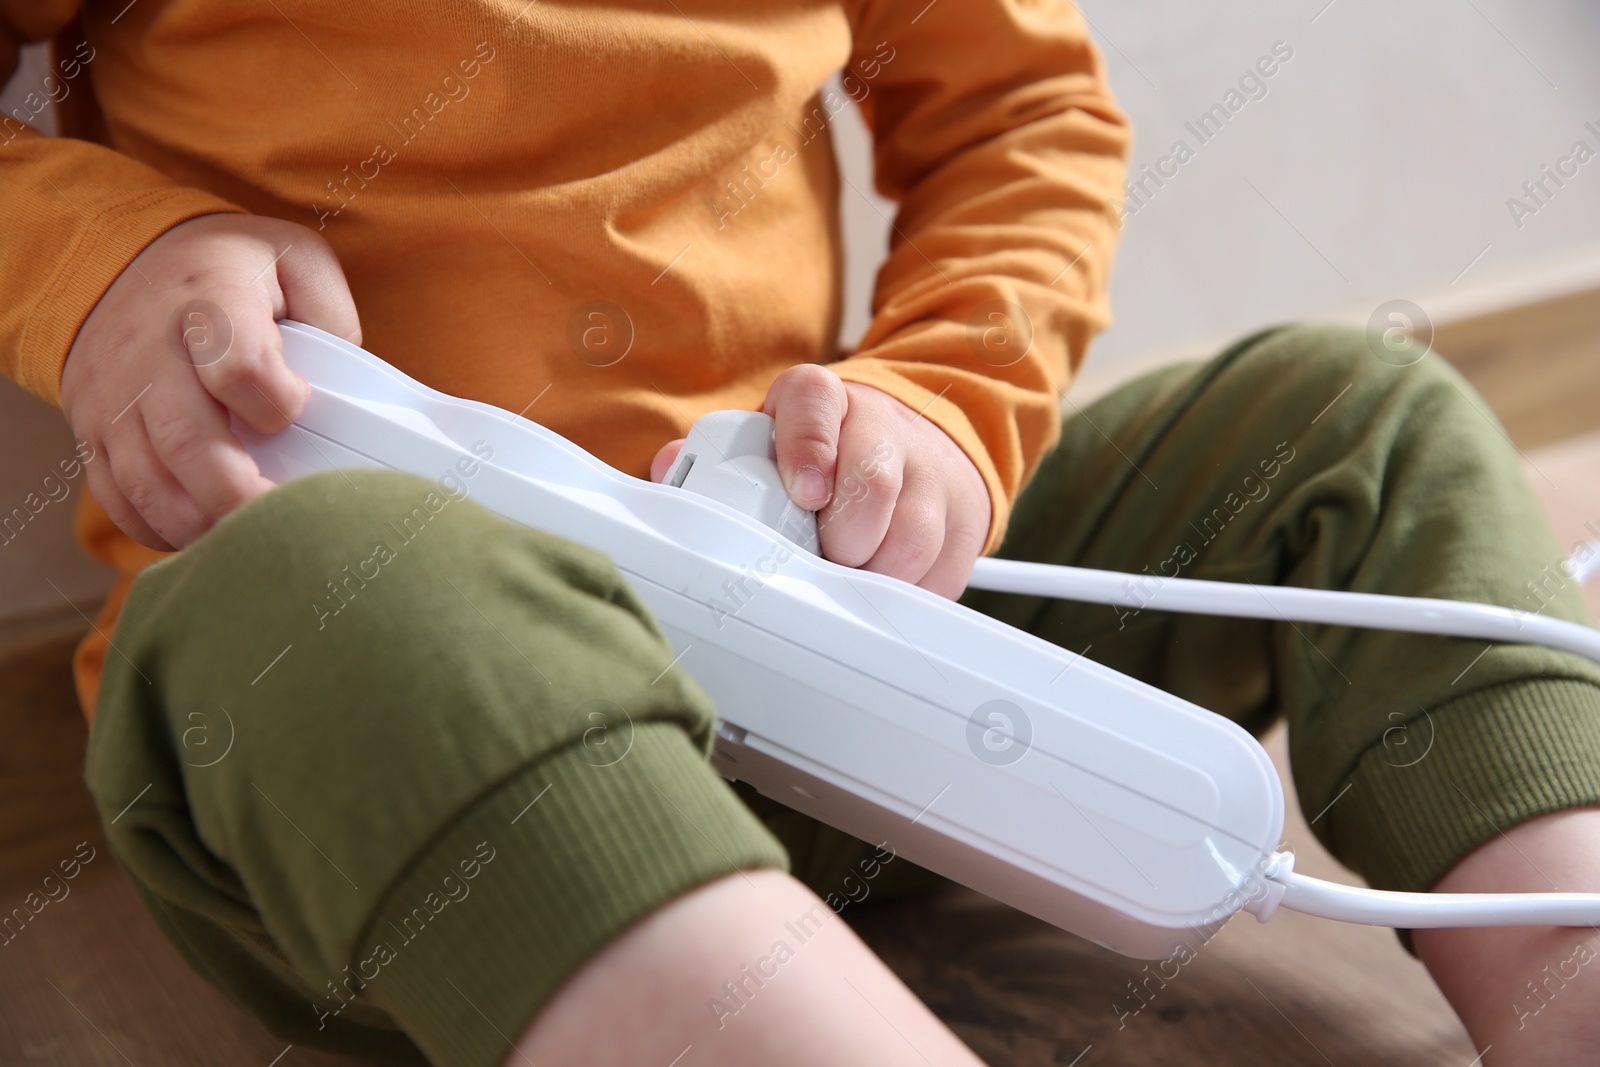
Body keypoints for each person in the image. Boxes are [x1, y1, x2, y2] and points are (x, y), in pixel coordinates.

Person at [3, 3, 1598, 1065]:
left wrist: (944, 401)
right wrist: (103, 262)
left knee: (1351, 421)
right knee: (325, 585)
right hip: (400, 759)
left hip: (842, 618)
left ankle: (1568, 975)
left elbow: (1024, 113)